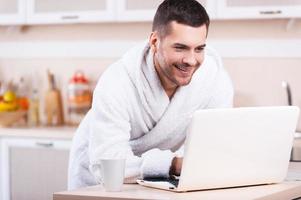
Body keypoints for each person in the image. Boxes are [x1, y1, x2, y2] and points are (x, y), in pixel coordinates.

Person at [68, 0, 233, 190]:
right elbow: (108, 165)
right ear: (155, 41)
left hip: (161, 181)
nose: (191, 60)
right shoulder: (117, 82)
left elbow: (212, 147)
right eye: (180, 48)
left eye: (199, 48)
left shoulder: (214, 80)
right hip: (99, 179)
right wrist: (173, 164)